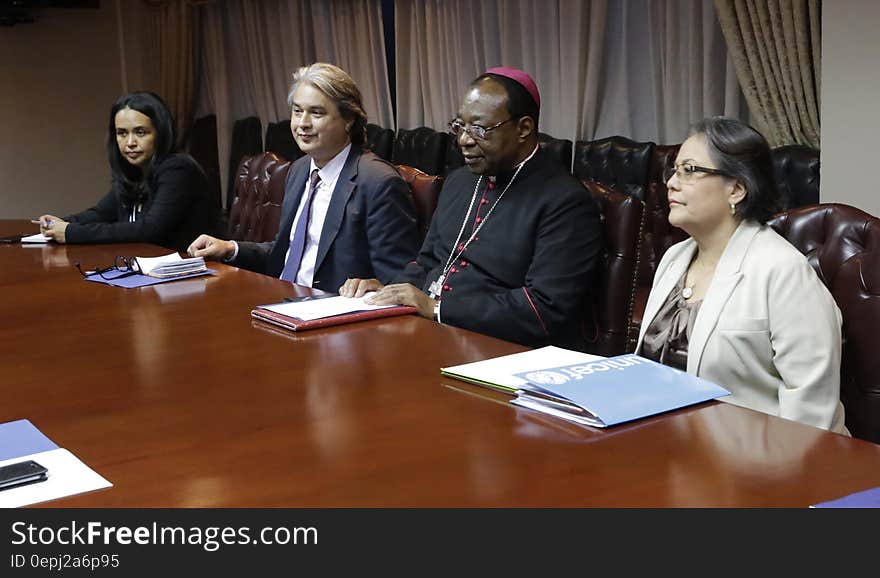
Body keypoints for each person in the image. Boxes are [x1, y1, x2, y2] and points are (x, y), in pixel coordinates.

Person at [341, 67, 602, 350]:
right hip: (433, 333)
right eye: (459, 126)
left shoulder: (565, 201)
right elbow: (428, 262)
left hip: (504, 351)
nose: (463, 140)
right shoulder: (460, 181)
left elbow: (544, 310)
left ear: (524, 128)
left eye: (479, 129)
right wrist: (389, 292)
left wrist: (438, 308)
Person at [635, 116, 847, 434]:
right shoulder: (674, 258)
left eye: (689, 170)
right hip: (666, 446)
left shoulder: (783, 271)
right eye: (673, 169)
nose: (671, 183)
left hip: (761, 463)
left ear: (736, 189)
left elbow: (811, 411)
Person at [188, 63, 419, 292]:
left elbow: (399, 282)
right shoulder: (299, 170)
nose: (302, 124)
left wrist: (375, 287)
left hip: (335, 315)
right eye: (297, 111)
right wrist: (230, 248)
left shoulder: (378, 182)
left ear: (348, 120)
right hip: (282, 301)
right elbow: (289, 252)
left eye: (316, 113)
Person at [38, 92, 220, 253]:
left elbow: (150, 229)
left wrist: (71, 232)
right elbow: (101, 213)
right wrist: (60, 223)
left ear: (160, 133)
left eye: (140, 132)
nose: (130, 142)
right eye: (122, 133)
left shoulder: (178, 168)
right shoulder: (133, 172)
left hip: (193, 274)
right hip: (149, 270)